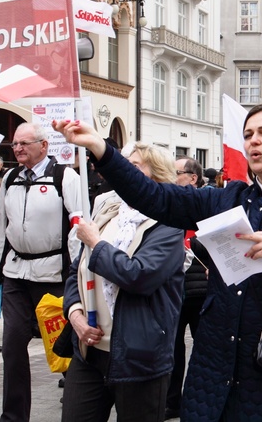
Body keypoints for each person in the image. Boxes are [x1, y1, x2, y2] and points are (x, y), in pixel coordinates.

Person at [53, 104, 262, 421]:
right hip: (213, 369)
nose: (254, 142)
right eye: (249, 135)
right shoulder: (225, 198)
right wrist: (100, 148)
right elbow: (154, 197)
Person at [61, 142, 185, 421]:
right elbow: (77, 271)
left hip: (139, 358)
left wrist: (95, 242)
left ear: (156, 176)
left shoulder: (168, 223)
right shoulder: (107, 210)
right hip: (89, 353)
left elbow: (139, 276)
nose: (122, 170)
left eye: (133, 165)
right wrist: (75, 314)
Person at [0, 122, 82, 421]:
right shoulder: (10, 178)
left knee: (64, 349)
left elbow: (80, 225)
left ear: (43, 145)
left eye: (24, 144)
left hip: (54, 276)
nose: (17, 149)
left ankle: (78, 407)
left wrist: (75, 271)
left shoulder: (64, 177)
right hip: (16, 273)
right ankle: (13, 417)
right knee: (13, 347)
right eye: (15, 144)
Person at [165, 156, 209, 420]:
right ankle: (172, 402)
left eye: (177, 172)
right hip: (173, 290)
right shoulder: (170, 205)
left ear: (193, 178)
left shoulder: (209, 204)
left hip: (201, 291)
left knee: (204, 351)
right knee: (172, 349)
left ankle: (200, 402)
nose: (173, 176)